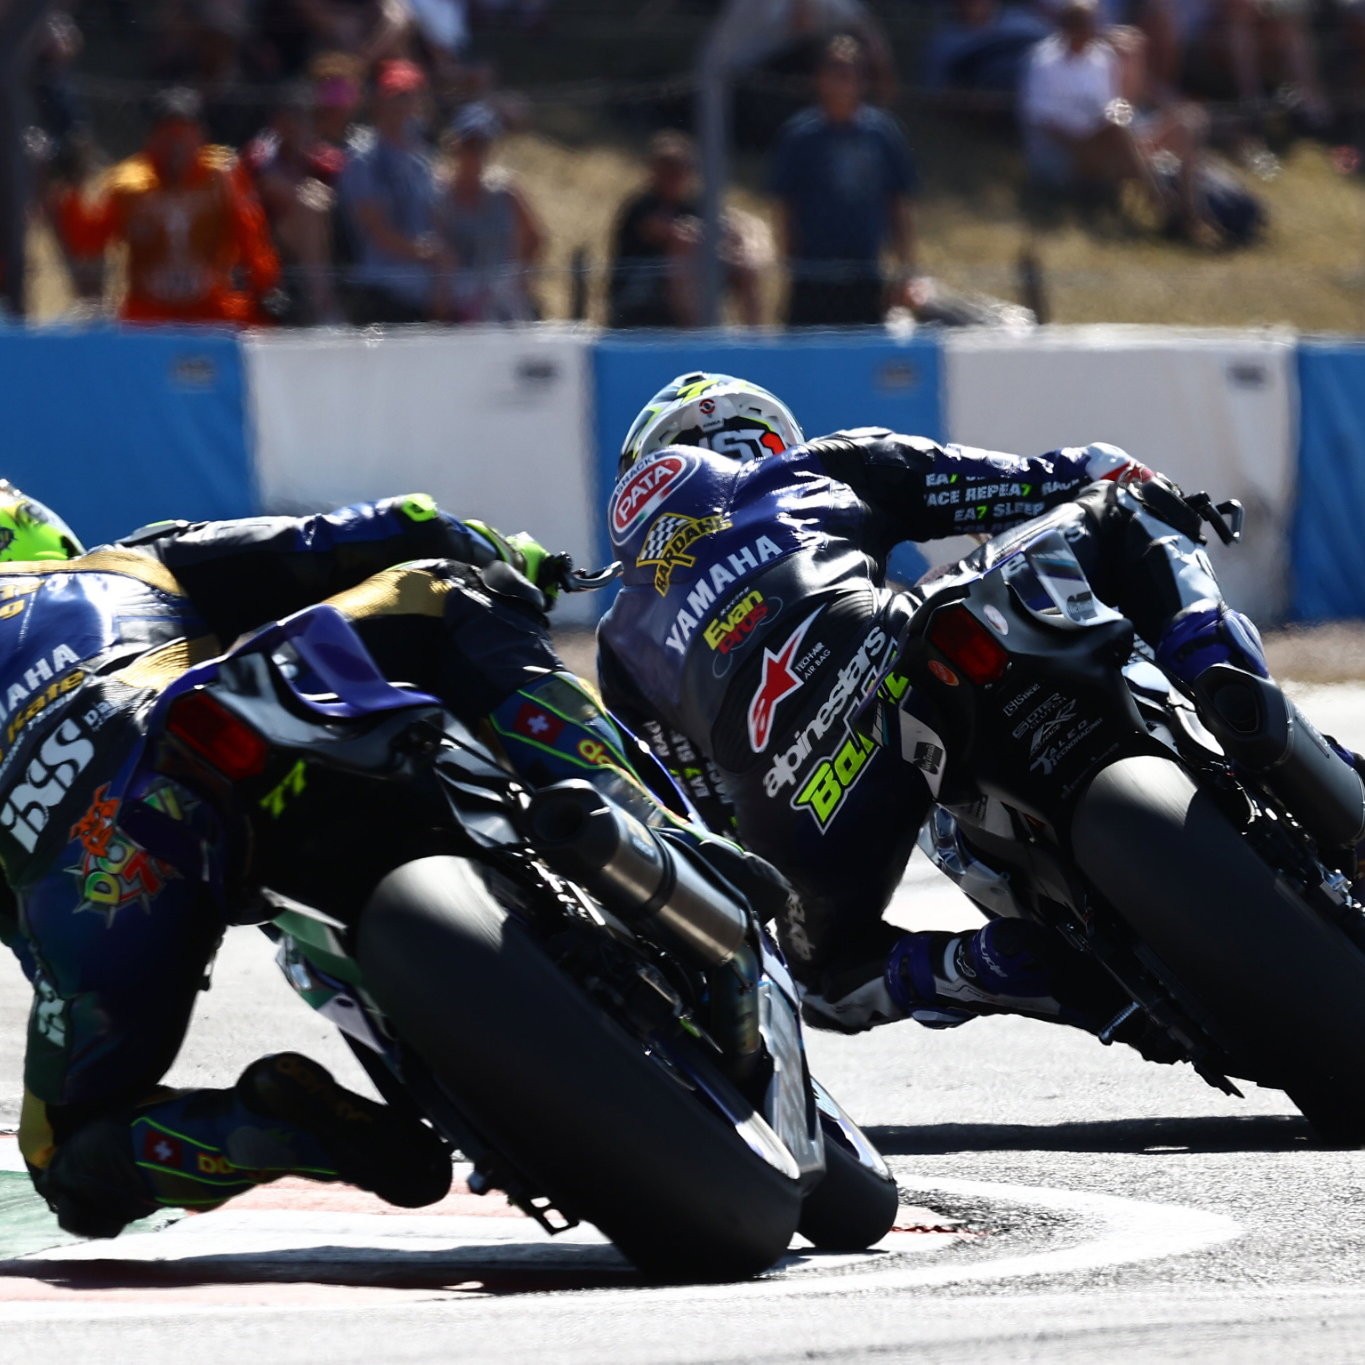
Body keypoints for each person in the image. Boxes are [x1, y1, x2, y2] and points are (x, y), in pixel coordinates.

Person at [1, 483, 774, 1239]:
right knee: (448, 590)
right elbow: (383, 528)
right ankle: (641, 817)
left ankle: (278, 1132)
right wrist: (516, 557)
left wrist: (97, 985)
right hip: (179, 724)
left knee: (63, 1153)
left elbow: (40, 950)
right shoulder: (111, 568)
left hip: (99, 876)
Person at [595, 372, 1365, 1037]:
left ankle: (985, 967)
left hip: (813, 809)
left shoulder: (619, 640)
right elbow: (1049, 479)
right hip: (903, 650)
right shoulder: (814, 466)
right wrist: (1138, 486)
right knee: (1126, 507)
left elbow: (696, 822)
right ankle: (1229, 688)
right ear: (765, 436)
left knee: (816, 975)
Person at [54, 87, 280, 326]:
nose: (177, 146)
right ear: (151, 140)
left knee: (259, 323)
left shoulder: (222, 175)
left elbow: (252, 237)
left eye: (185, 135)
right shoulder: (129, 185)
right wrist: (73, 192)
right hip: (148, 308)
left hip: (211, 305)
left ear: (200, 137)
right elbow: (88, 242)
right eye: (168, 135)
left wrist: (266, 286)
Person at [1019, 0, 1213, 238]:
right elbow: (1041, 120)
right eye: (1082, 25)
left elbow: (1112, 105)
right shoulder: (1044, 62)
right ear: (1066, 27)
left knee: (1188, 122)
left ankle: (1191, 211)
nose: (1090, 30)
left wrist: (1133, 132)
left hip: (1111, 141)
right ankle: (1162, 204)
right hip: (1067, 150)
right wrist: (1090, 139)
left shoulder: (1102, 57)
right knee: (1117, 129)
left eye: (1091, 24)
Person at [769, 35, 919, 328]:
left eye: (850, 74)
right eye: (835, 73)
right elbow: (784, 205)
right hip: (813, 271)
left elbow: (898, 203)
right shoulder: (800, 136)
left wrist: (906, 266)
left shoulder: (882, 134)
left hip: (865, 269)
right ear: (820, 79)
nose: (843, 82)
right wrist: (788, 262)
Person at [606, 131, 764, 331]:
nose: (675, 177)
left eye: (681, 169)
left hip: (696, 282)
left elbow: (730, 229)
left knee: (744, 268)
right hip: (642, 290)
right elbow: (665, 232)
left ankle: (756, 340)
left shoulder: (696, 206)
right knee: (684, 246)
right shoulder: (641, 206)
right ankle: (695, 332)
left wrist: (739, 249)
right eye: (668, 169)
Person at [337, 58, 447, 324]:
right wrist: (425, 254)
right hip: (383, 288)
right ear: (378, 101)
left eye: (409, 95)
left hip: (427, 290)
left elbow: (437, 217)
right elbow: (375, 227)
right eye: (395, 95)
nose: (402, 104)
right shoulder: (363, 157)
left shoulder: (422, 159)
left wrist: (443, 262)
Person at [432, 102, 543, 323]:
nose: (476, 153)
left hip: (502, 294)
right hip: (457, 296)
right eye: (470, 144)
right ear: (455, 144)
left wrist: (523, 276)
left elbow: (535, 236)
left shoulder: (505, 192)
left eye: (482, 145)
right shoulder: (439, 192)